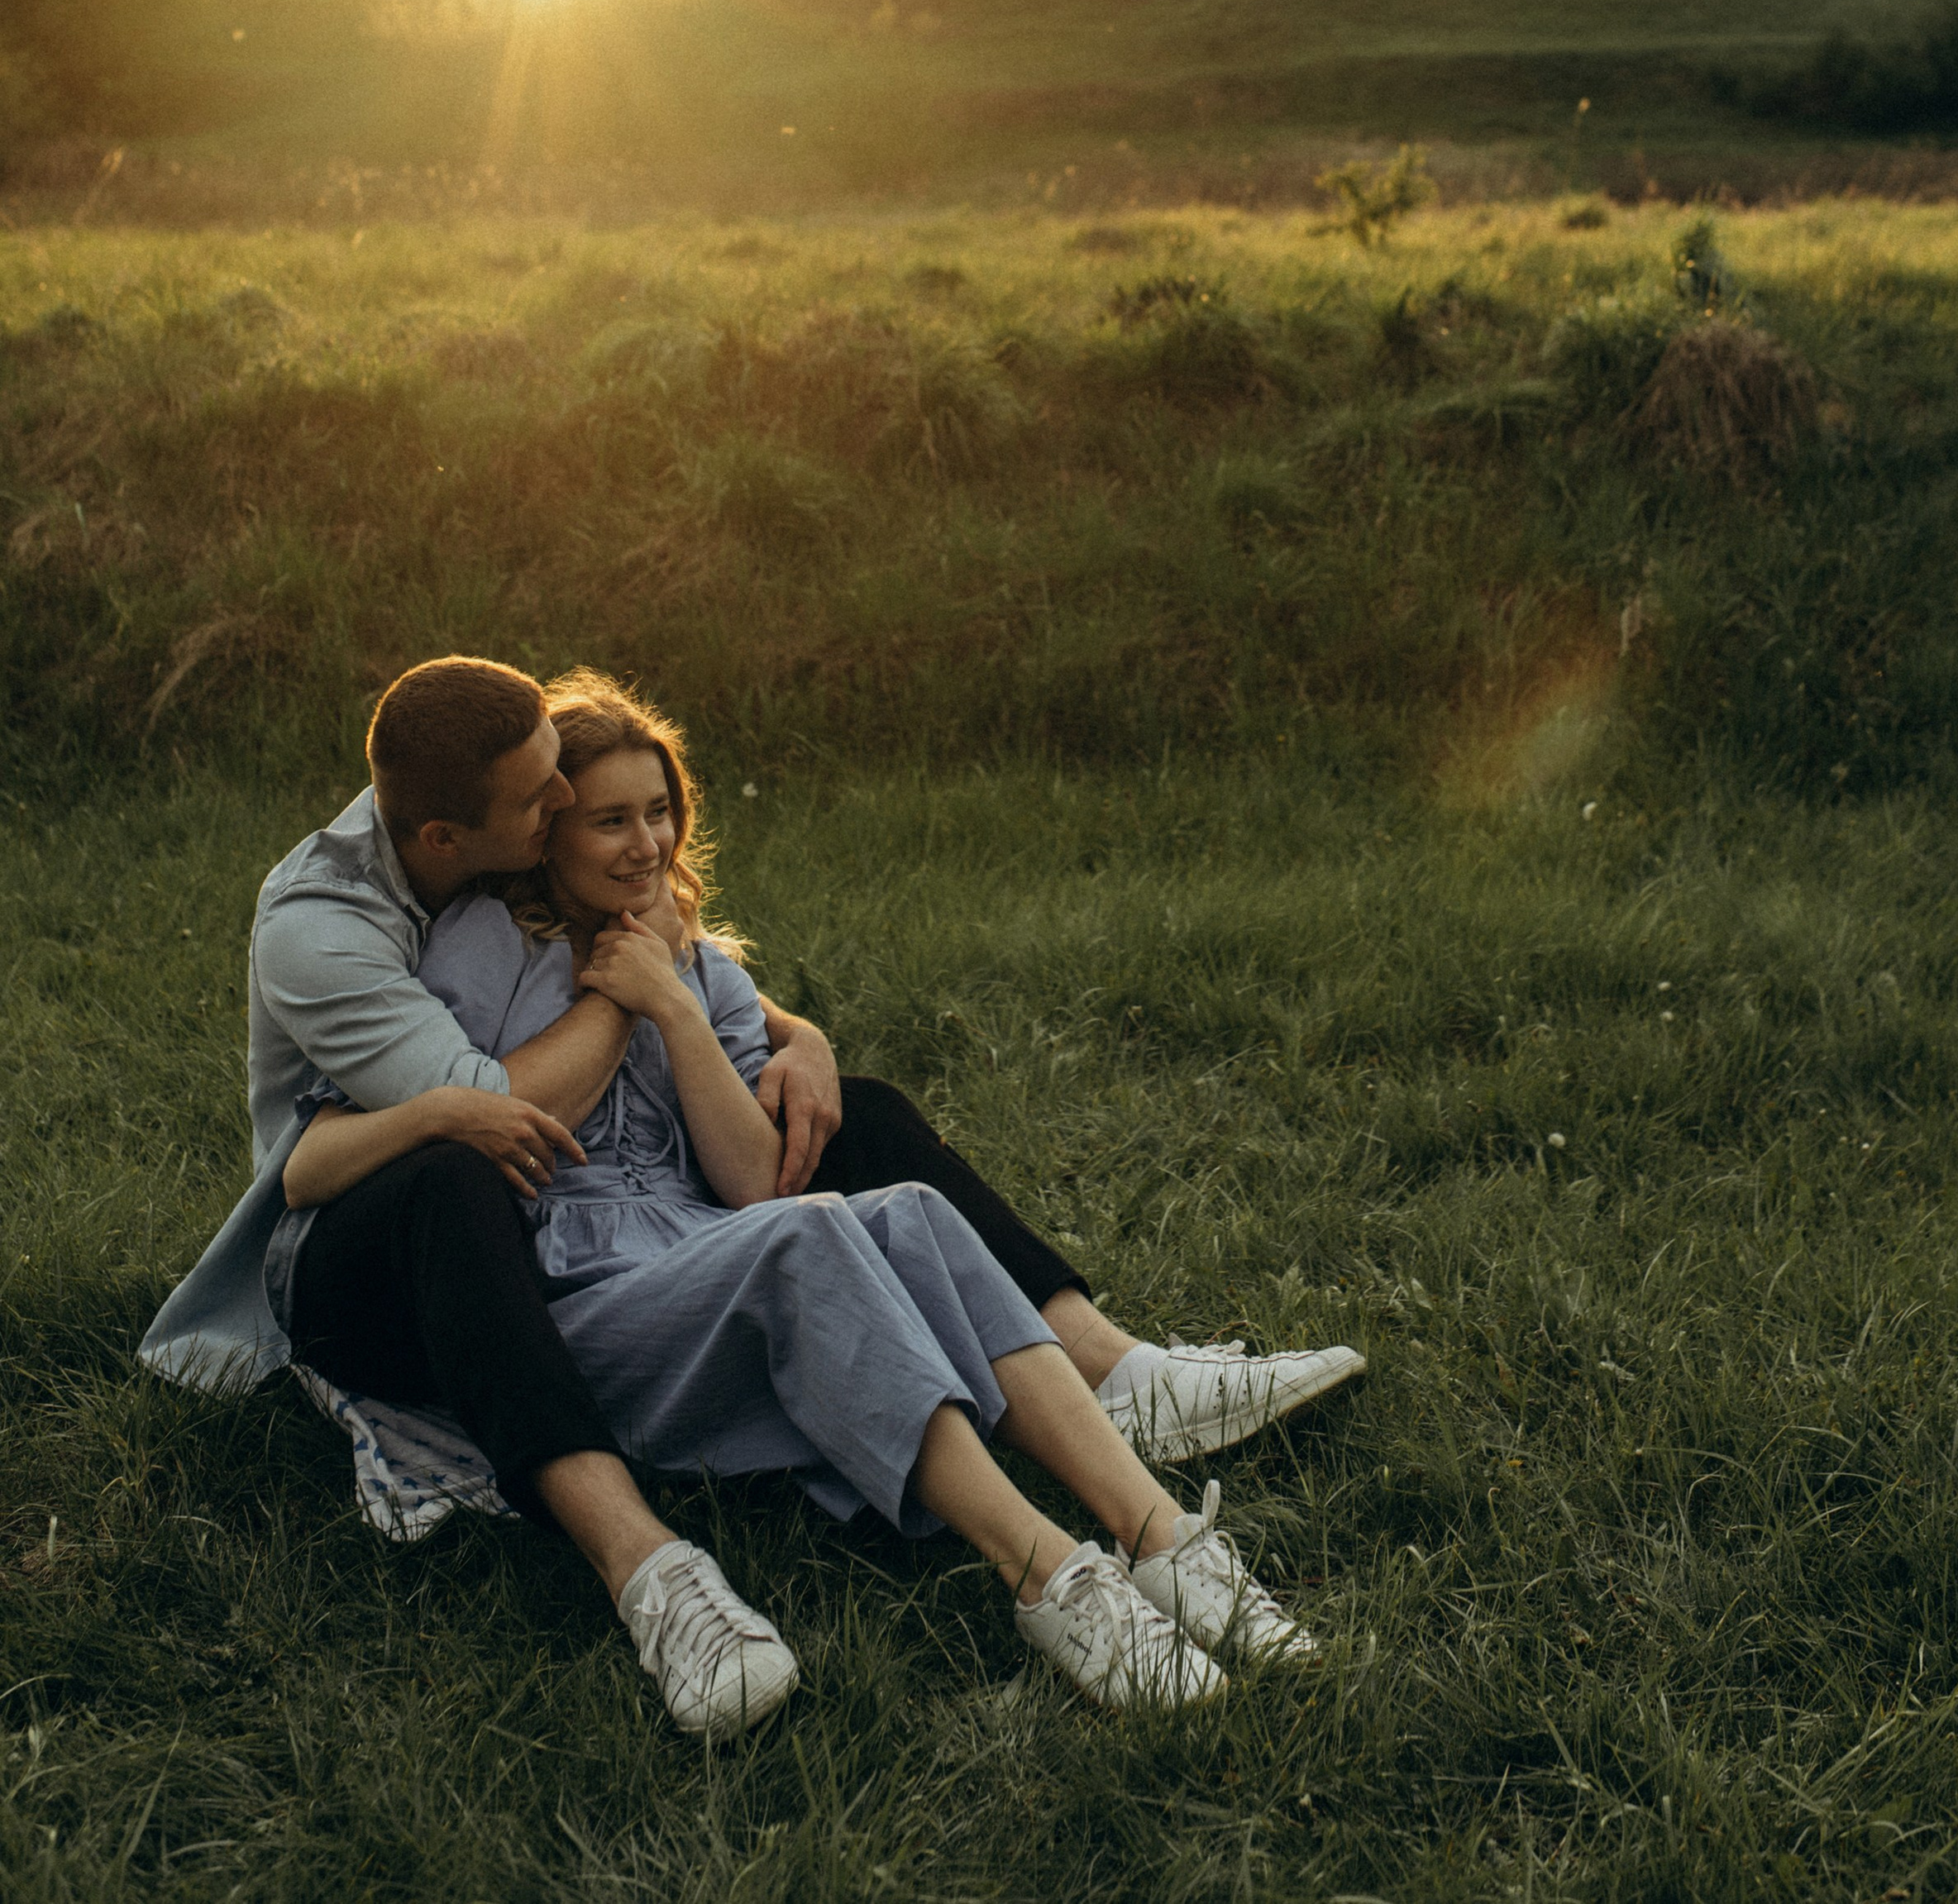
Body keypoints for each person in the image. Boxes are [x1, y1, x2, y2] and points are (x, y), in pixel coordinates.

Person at [141, 655, 1362, 1734]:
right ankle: (1050, 1574)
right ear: (523, 841)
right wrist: (616, 997)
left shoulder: (686, 956)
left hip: (680, 1245)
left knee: (899, 1209)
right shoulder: (433, 947)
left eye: (653, 813)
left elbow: (744, 1175)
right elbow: (417, 1134)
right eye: (588, 814)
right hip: (542, 1276)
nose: (632, 840)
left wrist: (686, 998)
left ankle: (1159, 1536)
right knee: (808, 1237)